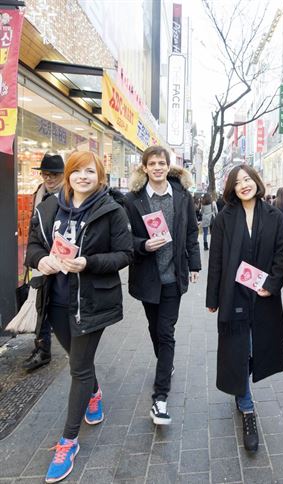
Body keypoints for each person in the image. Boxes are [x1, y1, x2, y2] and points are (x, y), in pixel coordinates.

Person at [25, 151, 132, 483]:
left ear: (100, 177)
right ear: (68, 175)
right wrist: (40, 261)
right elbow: (32, 247)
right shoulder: (48, 209)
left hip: (91, 302)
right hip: (55, 301)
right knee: (76, 358)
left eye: (90, 171)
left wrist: (88, 263)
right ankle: (94, 392)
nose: (83, 176)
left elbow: (125, 254)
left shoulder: (112, 211)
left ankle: (68, 442)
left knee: (79, 368)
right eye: (77, 171)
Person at [206, 164, 283, 452]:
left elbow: (282, 253)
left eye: (247, 179)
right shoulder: (225, 219)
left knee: (257, 349)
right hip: (233, 293)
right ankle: (247, 406)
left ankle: (241, 387)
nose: (244, 185)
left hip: (263, 294)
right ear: (232, 188)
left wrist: (274, 283)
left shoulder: (274, 216)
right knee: (240, 349)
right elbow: (216, 259)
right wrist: (212, 299)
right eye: (238, 181)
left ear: (256, 182)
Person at [123, 146, 201, 426]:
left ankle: (160, 397)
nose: (157, 167)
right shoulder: (133, 201)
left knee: (166, 333)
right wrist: (143, 245)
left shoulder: (181, 197)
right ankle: (165, 365)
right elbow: (123, 241)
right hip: (147, 277)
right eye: (152, 163)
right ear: (144, 168)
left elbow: (192, 232)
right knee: (155, 329)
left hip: (173, 277)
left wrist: (194, 265)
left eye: (162, 163)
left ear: (169, 167)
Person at [23, 153, 65, 372]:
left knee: (48, 306)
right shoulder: (39, 193)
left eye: (54, 175)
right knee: (41, 305)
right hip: (41, 258)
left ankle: (46, 348)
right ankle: (42, 347)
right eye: (45, 174)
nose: (49, 178)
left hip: (60, 262)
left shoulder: (68, 197)